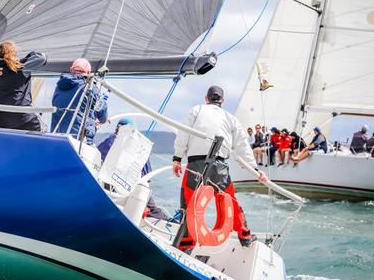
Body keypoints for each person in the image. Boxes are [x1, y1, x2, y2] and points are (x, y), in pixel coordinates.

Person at [172, 85, 268, 251]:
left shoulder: (196, 110)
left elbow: (183, 134)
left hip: (195, 164)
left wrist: (177, 158)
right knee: (229, 199)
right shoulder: (230, 118)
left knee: (189, 202)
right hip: (220, 165)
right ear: (222, 101)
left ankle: (186, 245)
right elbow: (242, 145)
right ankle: (244, 236)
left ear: (206, 98)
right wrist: (255, 169)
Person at [97, 118, 168, 220]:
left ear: (117, 129)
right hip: (135, 187)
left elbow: (99, 157)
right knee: (152, 209)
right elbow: (147, 174)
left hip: (111, 187)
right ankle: (171, 223)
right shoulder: (139, 146)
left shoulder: (110, 141)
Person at [0, 41, 47, 131]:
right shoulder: (20, 67)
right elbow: (42, 57)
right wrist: (26, 57)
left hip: (2, 123)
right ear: (14, 53)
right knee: (45, 129)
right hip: (25, 121)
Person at [51, 58, 108, 144]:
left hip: (56, 137)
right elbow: (103, 117)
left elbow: (78, 105)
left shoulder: (59, 87)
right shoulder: (90, 88)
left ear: (71, 70)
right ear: (88, 73)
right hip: (78, 141)